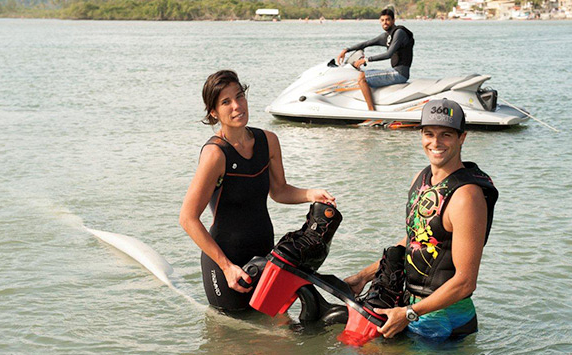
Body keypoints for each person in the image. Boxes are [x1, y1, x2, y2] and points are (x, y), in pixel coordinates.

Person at [179, 70, 335, 311]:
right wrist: (226, 267)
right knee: (230, 340)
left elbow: (279, 191)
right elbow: (188, 219)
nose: (237, 106)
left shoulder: (268, 141)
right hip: (224, 262)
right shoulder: (215, 155)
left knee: (275, 332)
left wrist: (310, 194)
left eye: (239, 96)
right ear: (213, 112)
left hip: (265, 254)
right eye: (226, 102)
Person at [344, 98, 498, 340]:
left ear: (462, 138)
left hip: (446, 322)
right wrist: (363, 276)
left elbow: (465, 282)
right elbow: (417, 240)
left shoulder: (467, 196)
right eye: (429, 134)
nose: (435, 143)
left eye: (446, 135)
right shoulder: (421, 179)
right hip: (412, 310)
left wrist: (409, 314)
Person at [336, 8, 414, 111]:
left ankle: (371, 111)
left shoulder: (399, 33)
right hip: (396, 71)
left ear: (393, 21)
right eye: (382, 20)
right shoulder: (387, 36)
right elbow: (367, 43)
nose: (385, 22)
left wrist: (366, 60)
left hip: (399, 73)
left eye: (387, 20)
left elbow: (389, 54)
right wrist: (346, 50)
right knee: (365, 74)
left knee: (362, 78)